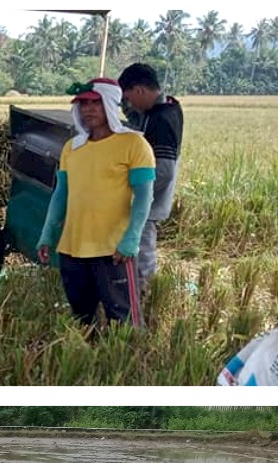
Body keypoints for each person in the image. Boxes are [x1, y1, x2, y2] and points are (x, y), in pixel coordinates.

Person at [36, 78, 155, 329]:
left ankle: (128, 364)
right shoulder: (72, 148)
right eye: (82, 104)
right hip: (72, 248)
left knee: (124, 321)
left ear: (110, 105)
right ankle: (89, 362)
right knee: (82, 319)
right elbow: (61, 194)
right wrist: (48, 234)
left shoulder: (134, 144)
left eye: (95, 103)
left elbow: (144, 197)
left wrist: (131, 238)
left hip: (113, 250)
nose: (87, 109)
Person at [117, 63, 183, 300]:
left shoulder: (163, 119)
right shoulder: (155, 112)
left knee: (142, 254)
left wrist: (136, 193)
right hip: (143, 199)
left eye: (129, 97)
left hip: (148, 202)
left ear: (140, 91)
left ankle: (143, 299)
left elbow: (164, 170)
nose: (129, 104)